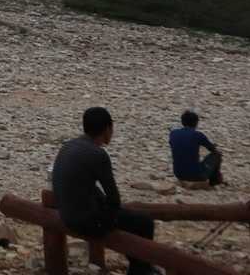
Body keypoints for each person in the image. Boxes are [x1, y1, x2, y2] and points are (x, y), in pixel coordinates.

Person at [51, 107, 157, 275]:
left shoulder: (69, 146)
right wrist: (112, 213)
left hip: (65, 214)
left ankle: (140, 267)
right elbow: (114, 198)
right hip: (84, 223)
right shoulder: (98, 154)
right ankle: (141, 270)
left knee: (127, 217)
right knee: (144, 223)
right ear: (107, 129)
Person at [169, 110, 223, 186]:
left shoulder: (173, 133)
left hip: (178, 174)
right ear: (196, 123)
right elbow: (213, 150)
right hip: (196, 175)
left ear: (182, 122)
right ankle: (214, 182)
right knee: (217, 155)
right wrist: (213, 146)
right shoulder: (198, 135)